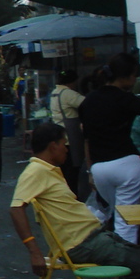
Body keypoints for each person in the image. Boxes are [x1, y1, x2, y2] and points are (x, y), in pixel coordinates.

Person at [10, 121, 140, 279]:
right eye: (63, 144)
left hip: (91, 236)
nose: (67, 148)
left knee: (139, 258)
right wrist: (34, 252)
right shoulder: (35, 171)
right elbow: (16, 209)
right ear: (52, 146)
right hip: (82, 243)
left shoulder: (48, 171)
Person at [78, 52, 140, 243]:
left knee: (109, 213)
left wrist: (90, 171)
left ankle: (112, 259)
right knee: (126, 221)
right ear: (126, 76)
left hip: (99, 168)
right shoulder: (125, 99)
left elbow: (87, 139)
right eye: (134, 75)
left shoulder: (89, 101)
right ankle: (126, 266)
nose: (135, 80)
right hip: (127, 165)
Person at [49, 69, 87, 198]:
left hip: (60, 136)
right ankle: (72, 197)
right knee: (72, 171)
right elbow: (87, 103)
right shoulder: (68, 93)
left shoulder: (55, 92)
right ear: (73, 81)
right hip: (70, 137)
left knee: (65, 171)